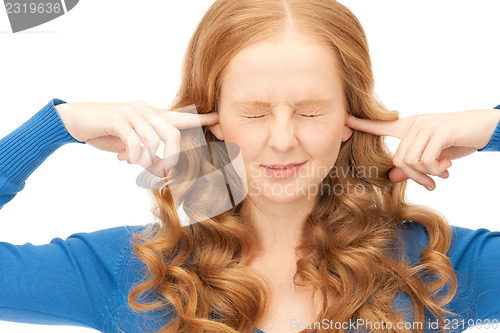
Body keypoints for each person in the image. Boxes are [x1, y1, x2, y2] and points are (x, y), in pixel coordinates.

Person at [1, 1, 499, 333]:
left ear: (351, 118)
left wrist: (491, 128)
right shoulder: (134, 272)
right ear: (211, 119)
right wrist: (58, 127)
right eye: (254, 113)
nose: (282, 140)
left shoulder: (435, 266)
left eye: (310, 111)